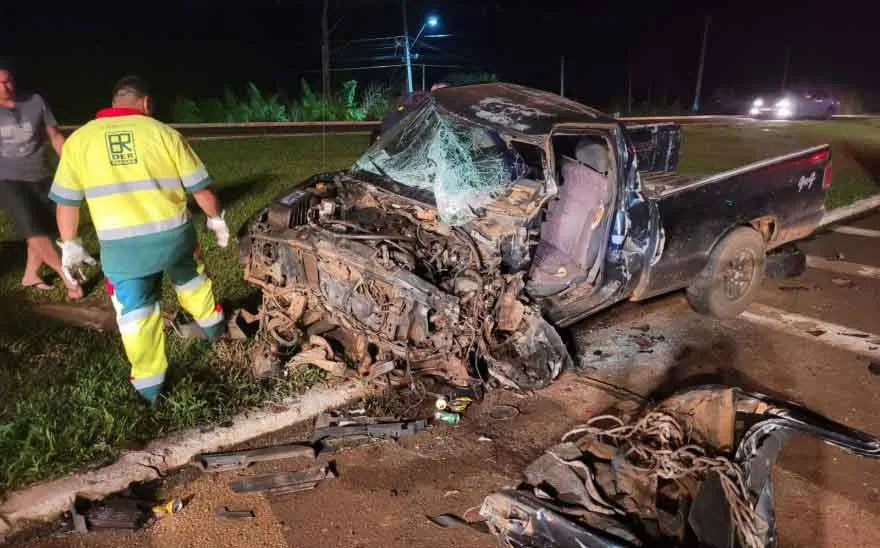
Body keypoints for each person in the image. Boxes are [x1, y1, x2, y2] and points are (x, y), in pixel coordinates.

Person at [48, 76, 230, 403]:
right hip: (174, 239)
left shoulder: (79, 141)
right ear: (145, 103)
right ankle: (216, 331)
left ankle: (150, 386)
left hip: (123, 252)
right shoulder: (163, 133)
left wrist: (71, 245)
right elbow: (201, 190)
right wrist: (216, 220)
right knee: (192, 282)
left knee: (136, 314)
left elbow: (67, 204)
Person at [0, 59, 83, 298]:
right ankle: (68, 277)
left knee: (43, 227)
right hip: (7, 178)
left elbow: (55, 136)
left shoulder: (34, 101)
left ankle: (30, 275)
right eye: (1, 83)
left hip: (40, 173)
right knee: (32, 227)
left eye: (9, 80)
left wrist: (72, 165)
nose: (7, 86)